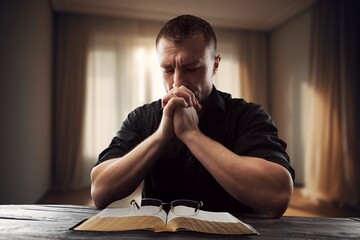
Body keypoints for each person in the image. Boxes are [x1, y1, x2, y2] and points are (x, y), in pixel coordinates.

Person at [91, 15, 295, 218]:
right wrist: (160, 136)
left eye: (191, 68)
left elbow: (277, 195)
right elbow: (100, 191)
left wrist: (191, 135)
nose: (177, 82)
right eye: (168, 69)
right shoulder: (141, 117)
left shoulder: (247, 116)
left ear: (215, 65)